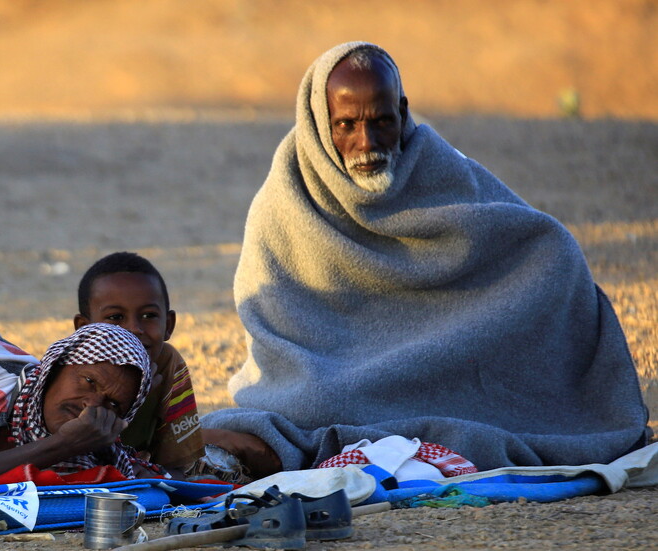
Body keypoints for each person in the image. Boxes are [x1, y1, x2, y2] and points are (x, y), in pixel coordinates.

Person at [201, 41, 650, 477]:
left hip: (438, 369)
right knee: (314, 402)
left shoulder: (438, 165)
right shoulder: (285, 201)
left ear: (402, 111)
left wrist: (556, 261)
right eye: (346, 125)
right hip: (325, 378)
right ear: (319, 122)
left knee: (559, 257)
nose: (366, 142)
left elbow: (523, 236)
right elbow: (272, 318)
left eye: (381, 121)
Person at [0, 322, 159, 489]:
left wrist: (66, 447)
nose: (91, 405)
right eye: (89, 381)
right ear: (54, 368)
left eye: (113, 404)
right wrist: (61, 444)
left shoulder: (83, 463)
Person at [74, 252, 205, 473]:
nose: (134, 329)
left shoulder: (166, 363)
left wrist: (157, 474)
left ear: (168, 325)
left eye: (149, 316)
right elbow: (63, 460)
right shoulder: (70, 375)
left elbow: (177, 467)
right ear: (84, 329)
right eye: (115, 317)